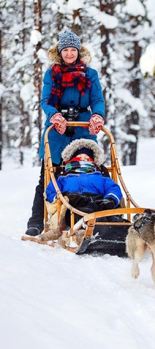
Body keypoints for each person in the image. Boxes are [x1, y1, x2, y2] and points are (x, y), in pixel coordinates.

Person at [26, 30, 105, 236]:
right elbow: (46, 101)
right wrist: (55, 115)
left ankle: (90, 214)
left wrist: (97, 116)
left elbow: (97, 100)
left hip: (83, 129)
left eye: (73, 50)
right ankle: (36, 220)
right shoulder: (51, 74)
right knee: (48, 176)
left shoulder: (91, 74)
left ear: (79, 51)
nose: (70, 54)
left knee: (88, 172)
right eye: (66, 50)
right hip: (57, 132)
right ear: (59, 52)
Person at [39, 138, 123, 242]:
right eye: (79, 157)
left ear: (93, 161)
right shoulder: (63, 178)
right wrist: (63, 197)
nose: (83, 159)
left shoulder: (101, 177)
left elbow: (113, 188)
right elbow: (50, 192)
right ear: (71, 160)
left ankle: (122, 229)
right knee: (85, 214)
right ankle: (86, 233)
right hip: (75, 205)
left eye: (87, 158)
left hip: (99, 202)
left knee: (111, 215)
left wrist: (110, 199)